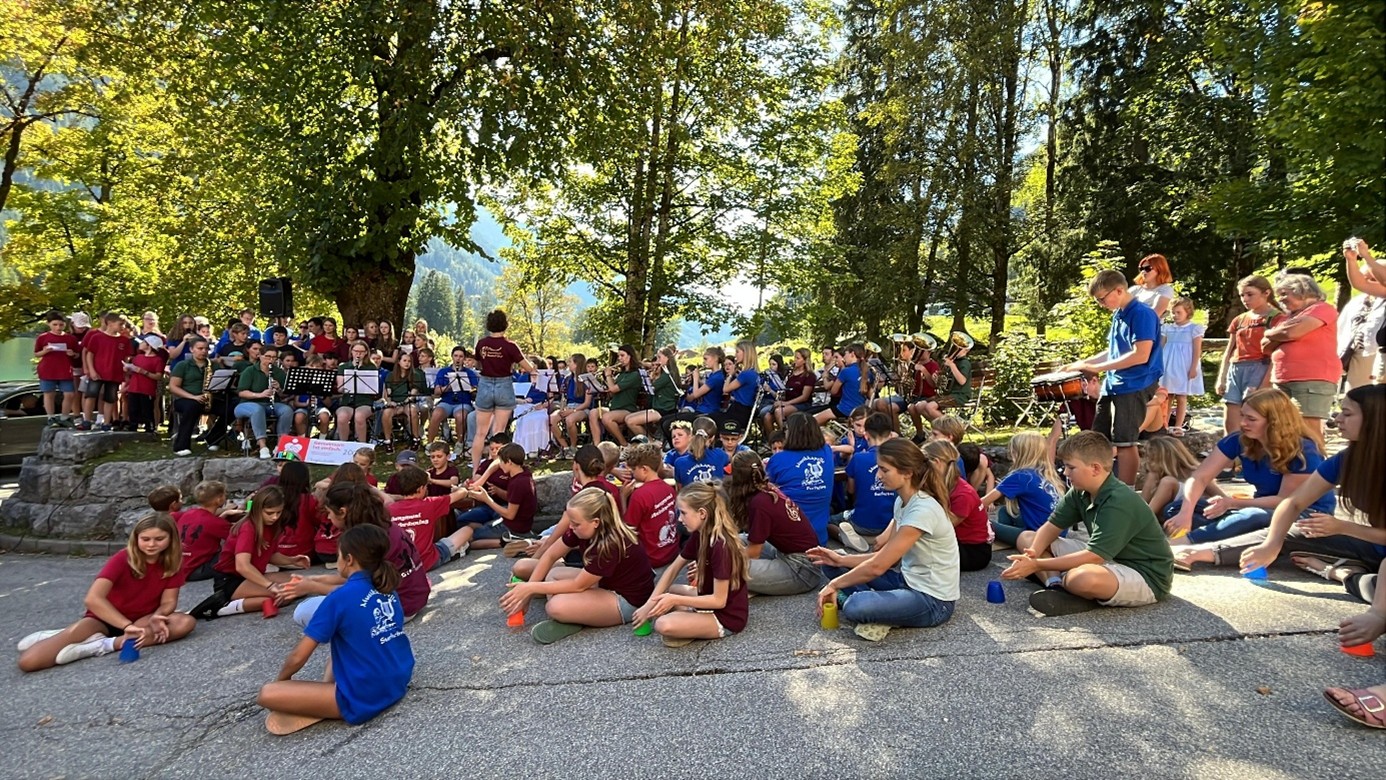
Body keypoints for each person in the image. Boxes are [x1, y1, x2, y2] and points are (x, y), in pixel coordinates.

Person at [1180, 385, 1384, 598]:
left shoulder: (1303, 449)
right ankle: (1194, 548)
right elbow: (1292, 503)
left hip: (1367, 544)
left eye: (1347, 414)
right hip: (1370, 546)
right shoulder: (1346, 458)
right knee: (1284, 529)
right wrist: (1271, 544)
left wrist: (1343, 527)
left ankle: (1341, 573)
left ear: (1375, 418)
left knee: (1373, 590)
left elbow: (1284, 501)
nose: (1338, 419)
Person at [256, 525, 415, 735]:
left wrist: (283, 682)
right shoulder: (387, 587)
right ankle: (322, 697)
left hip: (365, 695)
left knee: (267, 693)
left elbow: (298, 657)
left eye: (338, 554)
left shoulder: (338, 598)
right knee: (342, 644)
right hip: (398, 679)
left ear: (349, 559)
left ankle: (323, 702)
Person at [1001, 431, 1174, 616]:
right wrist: (1031, 555)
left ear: (1095, 469)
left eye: (1071, 467)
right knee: (1028, 538)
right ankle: (1056, 586)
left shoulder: (1119, 500)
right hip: (1108, 558)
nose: (1065, 473)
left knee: (1081, 578)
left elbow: (1094, 556)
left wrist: (1037, 565)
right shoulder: (1080, 491)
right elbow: (1051, 526)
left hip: (1144, 574)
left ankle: (1068, 585)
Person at [807, 438, 960, 641]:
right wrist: (840, 560)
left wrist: (834, 585)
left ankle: (874, 606)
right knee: (830, 564)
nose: (878, 476)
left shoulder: (923, 510)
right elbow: (886, 558)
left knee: (856, 606)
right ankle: (882, 608)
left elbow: (878, 566)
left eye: (884, 470)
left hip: (933, 601)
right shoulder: (902, 501)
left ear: (907, 472)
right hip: (906, 581)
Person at [17, 514, 196, 672]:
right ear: (136, 538)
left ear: (171, 539)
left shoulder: (172, 562)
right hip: (104, 619)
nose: (151, 544)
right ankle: (71, 635)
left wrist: (158, 615)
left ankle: (102, 645)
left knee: (185, 622)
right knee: (29, 662)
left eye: (159, 539)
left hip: (143, 619)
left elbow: (168, 601)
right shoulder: (122, 558)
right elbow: (93, 599)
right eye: (145, 539)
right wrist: (126, 626)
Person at [1163, 388, 1333, 546]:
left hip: (1303, 514)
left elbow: (1284, 501)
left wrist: (1232, 503)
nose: (1243, 423)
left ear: (1275, 422)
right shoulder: (1239, 440)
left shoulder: (1303, 450)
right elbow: (1199, 477)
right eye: (1242, 416)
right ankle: (1229, 532)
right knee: (1175, 509)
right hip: (1258, 508)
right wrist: (1185, 512)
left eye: (1251, 419)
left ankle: (1186, 542)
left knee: (1253, 516)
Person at [502, 487, 655, 644]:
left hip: (628, 602)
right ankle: (577, 615)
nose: (571, 527)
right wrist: (527, 595)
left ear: (596, 522)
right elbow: (550, 555)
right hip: (605, 583)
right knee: (554, 575)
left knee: (555, 606)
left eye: (575, 524)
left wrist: (530, 588)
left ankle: (576, 617)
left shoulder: (610, 544)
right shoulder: (583, 529)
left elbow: (578, 585)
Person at [281, 481, 431, 626]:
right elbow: (361, 579)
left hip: (393, 610)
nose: (328, 517)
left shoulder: (361, 541)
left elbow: (359, 593)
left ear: (342, 512)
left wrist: (312, 587)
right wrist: (314, 579)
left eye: (329, 513)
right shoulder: (385, 527)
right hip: (414, 601)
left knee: (304, 611)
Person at [1065, 269, 1164, 486]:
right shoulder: (1119, 314)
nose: (1101, 304)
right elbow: (1113, 352)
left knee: (1125, 442)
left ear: (1119, 290)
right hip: (1114, 385)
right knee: (1099, 440)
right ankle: (1101, 487)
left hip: (1134, 384)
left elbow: (1141, 354)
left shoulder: (1142, 314)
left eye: (1102, 299)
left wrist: (1096, 367)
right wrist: (1081, 364)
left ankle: (1126, 492)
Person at [633, 483, 750, 647]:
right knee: (670, 590)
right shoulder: (700, 534)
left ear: (702, 513)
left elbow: (719, 601)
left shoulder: (720, 546)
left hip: (726, 617)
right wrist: (649, 605)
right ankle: (690, 619)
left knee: (663, 624)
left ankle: (692, 621)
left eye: (683, 513)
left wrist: (674, 600)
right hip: (708, 597)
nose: (679, 519)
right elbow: (674, 568)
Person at [192, 486, 309, 619]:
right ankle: (223, 607)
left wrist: (292, 560)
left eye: (278, 512)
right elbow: (242, 566)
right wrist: (270, 586)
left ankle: (257, 598)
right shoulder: (248, 528)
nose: (275, 517)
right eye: (270, 513)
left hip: (250, 575)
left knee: (300, 586)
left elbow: (270, 555)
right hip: (230, 580)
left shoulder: (272, 526)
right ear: (258, 509)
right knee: (285, 595)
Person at [725, 451, 823, 595]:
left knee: (725, 566)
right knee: (736, 540)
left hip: (801, 570)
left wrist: (716, 560)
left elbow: (753, 553)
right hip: (792, 554)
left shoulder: (759, 503)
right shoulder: (767, 488)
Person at [1265, 273, 1339, 437]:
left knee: (1307, 429)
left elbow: (1292, 333)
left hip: (1311, 378)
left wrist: (1272, 333)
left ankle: (1315, 455)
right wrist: (1279, 333)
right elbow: (1265, 346)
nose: (1280, 299)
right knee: (1283, 428)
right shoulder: (1289, 317)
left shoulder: (1322, 308)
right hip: (1282, 379)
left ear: (1301, 290)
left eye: (1284, 294)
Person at [1215, 275, 1283, 435]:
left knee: (1254, 413)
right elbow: (1230, 350)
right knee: (1231, 415)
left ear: (1266, 293)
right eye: (1242, 295)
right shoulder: (1239, 320)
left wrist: (1266, 382)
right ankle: (1230, 449)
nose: (1245, 299)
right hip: (1236, 368)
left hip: (1260, 367)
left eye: (1250, 294)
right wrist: (1221, 377)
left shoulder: (1276, 318)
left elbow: (1277, 354)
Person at [468, 310, 534, 470]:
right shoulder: (510, 346)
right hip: (504, 384)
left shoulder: (482, 343)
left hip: (485, 384)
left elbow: (478, 363)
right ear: (505, 324)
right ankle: (496, 469)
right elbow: (528, 368)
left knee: (480, 433)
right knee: (499, 432)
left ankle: (476, 470)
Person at [982, 433, 1065, 548]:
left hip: (1038, 536)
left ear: (1018, 453)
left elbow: (981, 503)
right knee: (1005, 511)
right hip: (1059, 533)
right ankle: (1009, 537)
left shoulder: (1020, 476)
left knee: (988, 524)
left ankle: (1009, 538)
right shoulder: (1045, 473)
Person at [923, 439, 993, 571]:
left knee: (922, 545)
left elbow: (944, 526)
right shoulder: (949, 484)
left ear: (936, 463)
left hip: (973, 552)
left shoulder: (963, 494)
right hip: (958, 543)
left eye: (923, 463)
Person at [454, 442, 538, 549]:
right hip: (518, 524)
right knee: (471, 527)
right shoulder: (523, 472)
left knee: (468, 539)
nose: (500, 464)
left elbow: (510, 515)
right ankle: (507, 538)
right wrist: (480, 481)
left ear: (509, 462)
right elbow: (496, 463)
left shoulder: (518, 483)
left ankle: (511, 540)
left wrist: (486, 499)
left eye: (502, 461)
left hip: (513, 527)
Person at [767, 412, 835, 544]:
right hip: (819, 537)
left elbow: (767, 486)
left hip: (788, 539)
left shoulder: (778, 459)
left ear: (790, 433)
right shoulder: (827, 451)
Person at [834, 412, 897, 552]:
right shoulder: (900, 459)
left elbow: (850, 490)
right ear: (890, 435)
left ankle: (844, 537)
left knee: (826, 521)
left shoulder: (858, 458)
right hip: (892, 523)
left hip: (862, 523)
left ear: (866, 435)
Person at [1339, 238, 1386, 390]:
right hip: (1365, 352)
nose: (1369, 283)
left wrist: (1366, 255)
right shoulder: (1358, 301)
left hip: (1376, 353)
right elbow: (1360, 283)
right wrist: (1351, 259)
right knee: (1356, 396)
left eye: (1374, 279)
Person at [234, 344, 293, 460]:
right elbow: (241, 392)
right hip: (247, 404)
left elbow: (284, 395)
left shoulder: (279, 372)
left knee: (287, 410)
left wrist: (279, 389)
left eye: (274, 357)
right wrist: (260, 395)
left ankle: (281, 446)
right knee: (257, 409)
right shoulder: (250, 371)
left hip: (270, 404)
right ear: (260, 356)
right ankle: (262, 446)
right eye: (268, 356)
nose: (271, 360)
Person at [1160, 297, 1205, 434]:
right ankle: (1164, 425)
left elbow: (1197, 350)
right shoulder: (1168, 328)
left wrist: (1193, 367)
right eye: (1173, 312)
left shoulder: (1194, 329)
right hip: (1169, 364)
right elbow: (1161, 346)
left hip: (1184, 365)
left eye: (1178, 312)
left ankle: (1178, 425)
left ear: (1188, 312)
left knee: (1181, 395)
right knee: (1167, 396)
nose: (1175, 315)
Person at [176, 480, 233, 582]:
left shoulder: (189, 513)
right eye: (224, 494)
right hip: (196, 570)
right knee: (233, 552)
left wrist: (224, 514)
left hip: (180, 567)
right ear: (219, 499)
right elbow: (238, 535)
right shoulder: (216, 523)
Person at [625, 346, 681, 441]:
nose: (657, 361)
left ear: (667, 358)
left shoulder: (667, 375)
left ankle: (650, 443)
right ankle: (651, 440)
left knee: (631, 421)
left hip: (664, 409)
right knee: (628, 418)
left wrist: (651, 377)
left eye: (659, 357)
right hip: (658, 407)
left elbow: (652, 388)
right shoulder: (665, 373)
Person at [168, 338, 213, 456]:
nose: (204, 351)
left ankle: (213, 438)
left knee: (231, 407)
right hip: (185, 399)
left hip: (207, 399)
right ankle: (181, 445)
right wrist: (193, 397)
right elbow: (173, 387)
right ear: (191, 349)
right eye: (200, 348)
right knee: (192, 407)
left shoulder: (213, 365)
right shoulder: (182, 365)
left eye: (206, 349)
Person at [34, 312, 80, 425]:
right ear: (49, 324)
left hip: (65, 370)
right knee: (49, 394)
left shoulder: (70, 338)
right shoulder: (43, 337)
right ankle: (51, 417)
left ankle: (64, 417)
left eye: (61, 325)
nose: (58, 327)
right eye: (55, 324)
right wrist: (45, 351)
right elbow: (36, 353)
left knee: (69, 394)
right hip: (47, 370)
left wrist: (73, 354)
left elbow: (77, 354)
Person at [1139, 437, 1204, 517]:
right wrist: (1151, 478)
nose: (1146, 462)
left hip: (1194, 515)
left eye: (1151, 459)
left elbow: (1218, 496)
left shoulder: (1195, 473)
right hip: (1170, 517)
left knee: (1168, 482)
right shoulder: (1154, 476)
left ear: (1165, 459)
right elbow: (1141, 505)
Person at [377, 350, 427, 452]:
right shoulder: (391, 375)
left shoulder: (415, 375)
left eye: (409, 361)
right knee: (386, 413)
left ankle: (415, 438)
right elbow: (388, 392)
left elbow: (413, 392)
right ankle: (388, 441)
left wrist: (404, 403)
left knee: (412, 410)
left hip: (407, 403)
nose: (407, 363)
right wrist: (390, 402)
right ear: (399, 362)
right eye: (404, 360)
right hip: (393, 404)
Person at [592, 345, 642, 446]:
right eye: (619, 356)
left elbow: (614, 389)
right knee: (593, 412)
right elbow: (611, 391)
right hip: (615, 407)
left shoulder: (634, 375)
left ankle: (624, 444)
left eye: (622, 355)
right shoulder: (621, 374)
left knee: (606, 418)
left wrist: (608, 375)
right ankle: (597, 445)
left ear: (630, 356)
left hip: (627, 409)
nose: (619, 358)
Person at [430, 346, 478, 447]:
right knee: (436, 414)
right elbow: (437, 392)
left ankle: (460, 443)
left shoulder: (470, 373)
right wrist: (449, 386)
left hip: (463, 402)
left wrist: (470, 388)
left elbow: (475, 393)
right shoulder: (443, 372)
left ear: (464, 358)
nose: (458, 359)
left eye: (461, 356)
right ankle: (430, 444)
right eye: (456, 356)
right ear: (452, 357)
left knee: (460, 416)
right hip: (446, 402)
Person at [764, 348, 815, 436]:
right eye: (795, 357)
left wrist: (786, 403)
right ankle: (773, 440)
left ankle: (787, 437)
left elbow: (804, 396)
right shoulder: (790, 374)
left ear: (804, 360)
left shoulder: (809, 376)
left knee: (779, 412)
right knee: (767, 417)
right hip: (788, 402)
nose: (795, 360)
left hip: (802, 404)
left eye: (797, 358)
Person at [336, 341, 377, 443]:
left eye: (361, 352)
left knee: (359, 416)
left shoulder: (371, 367)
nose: (358, 354)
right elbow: (340, 388)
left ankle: (361, 445)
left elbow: (373, 390)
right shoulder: (343, 367)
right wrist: (348, 384)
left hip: (365, 401)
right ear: (351, 351)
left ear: (366, 353)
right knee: (342, 417)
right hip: (347, 401)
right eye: (356, 351)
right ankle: (343, 445)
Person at [672, 416, 730, 486]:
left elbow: (679, 490)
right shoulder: (721, 455)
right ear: (713, 437)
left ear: (692, 435)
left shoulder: (680, 463)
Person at [722, 340, 761, 427]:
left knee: (708, 419)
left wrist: (730, 375)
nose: (735, 355)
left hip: (738, 412)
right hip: (746, 412)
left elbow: (725, 389)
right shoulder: (754, 373)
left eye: (737, 352)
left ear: (745, 353)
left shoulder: (745, 374)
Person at [1128, 253, 1175, 317]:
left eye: (1148, 268)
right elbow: (1119, 310)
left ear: (1160, 269)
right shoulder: (1134, 289)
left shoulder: (1165, 290)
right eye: (1141, 269)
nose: (1143, 272)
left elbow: (1153, 315)